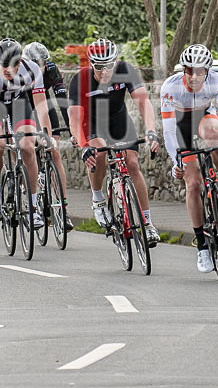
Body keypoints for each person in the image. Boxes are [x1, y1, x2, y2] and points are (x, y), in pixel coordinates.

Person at [160, 43, 218, 274]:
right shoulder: (170, 88)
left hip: (204, 116)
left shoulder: (216, 81)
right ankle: (201, 245)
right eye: (190, 70)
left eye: (200, 71)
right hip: (180, 124)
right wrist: (176, 161)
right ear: (184, 70)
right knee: (193, 184)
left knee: (213, 134)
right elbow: (169, 132)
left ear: (207, 71)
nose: (195, 76)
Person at [68, 38, 161, 245]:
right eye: (99, 66)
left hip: (118, 120)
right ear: (91, 64)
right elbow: (74, 119)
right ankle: (98, 199)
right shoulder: (80, 79)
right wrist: (83, 145)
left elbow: (143, 102)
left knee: (133, 164)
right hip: (91, 124)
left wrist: (151, 131)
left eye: (108, 65)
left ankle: (147, 224)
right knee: (99, 152)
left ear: (116, 61)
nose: (104, 71)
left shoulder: (125, 70)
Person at [0, 38, 57, 227]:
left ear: (20, 62)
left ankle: (33, 206)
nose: (8, 70)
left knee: (28, 147)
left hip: (18, 104)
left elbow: (41, 106)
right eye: (3, 65)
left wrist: (47, 135)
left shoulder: (32, 70)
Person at [22, 41, 73, 231]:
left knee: (55, 152)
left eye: (42, 64)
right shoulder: (20, 73)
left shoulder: (52, 70)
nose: (39, 69)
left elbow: (62, 102)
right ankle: (25, 195)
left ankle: (63, 208)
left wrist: (72, 130)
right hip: (25, 107)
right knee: (26, 149)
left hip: (45, 107)